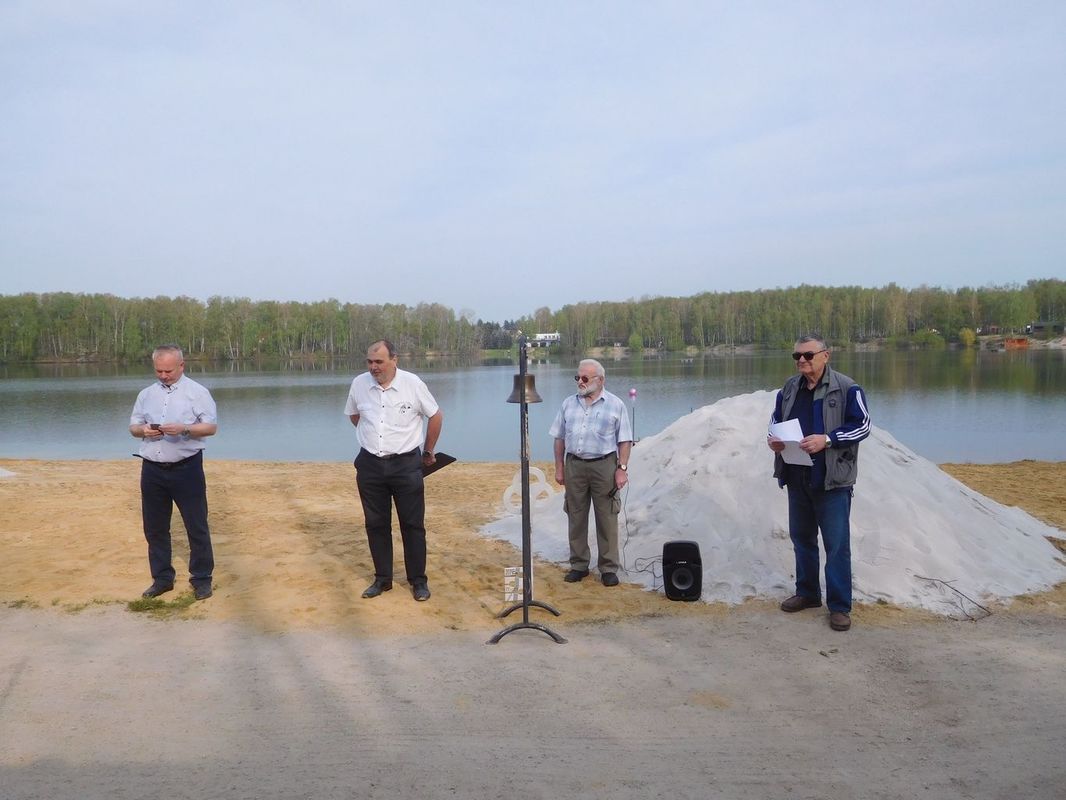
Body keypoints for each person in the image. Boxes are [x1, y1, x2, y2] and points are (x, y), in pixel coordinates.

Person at [767, 335, 871, 631]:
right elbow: (774, 421)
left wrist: (827, 440)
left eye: (808, 355)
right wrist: (773, 440)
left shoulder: (847, 388)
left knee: (836, 545)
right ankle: (808, 593)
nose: (801, 360)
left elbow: (863, 426)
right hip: (797, 476)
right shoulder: (789, 389)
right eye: (797, 356)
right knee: (802, 538)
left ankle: (839, 607)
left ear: (826, 355)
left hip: (832, 479)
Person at [345, 339, 443, 602]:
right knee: (375, 524)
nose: (373, 367)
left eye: (379, 361)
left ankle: (418, 581)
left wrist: (428, 450)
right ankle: (382, 579)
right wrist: (373, 437)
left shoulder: (413, 384)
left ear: (394, 360)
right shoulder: (359, 384)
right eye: (370, 362)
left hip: (406, 464)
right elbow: (354, 416)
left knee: (412, 525)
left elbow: (435, 415)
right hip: (370, 464)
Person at [129, 344, 218, 600]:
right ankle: (162, 579)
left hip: (186, 468)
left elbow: (211, 427)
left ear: (181, 366)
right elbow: (133, 427)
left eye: (168, 371)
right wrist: (144, 431)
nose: (163, 375)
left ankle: (201, 579)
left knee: (196, 525)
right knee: (155, 528)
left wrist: (184, 429)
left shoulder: (197, 393)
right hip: (152, 469)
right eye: (159, 371)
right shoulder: (146, 394)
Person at [550, 358, 633, 586]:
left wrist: (622, 469)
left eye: (585, 378)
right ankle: (579, 565)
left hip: (604, 466)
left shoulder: (615, 405)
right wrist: (559, 467)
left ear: (600, 380)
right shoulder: (568, 404)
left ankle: (608, 568)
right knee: (575, 516)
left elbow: (625, 440)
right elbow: (559, 438)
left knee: (607, 517)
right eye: (577, 377)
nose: (580, 382)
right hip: (574, 465)